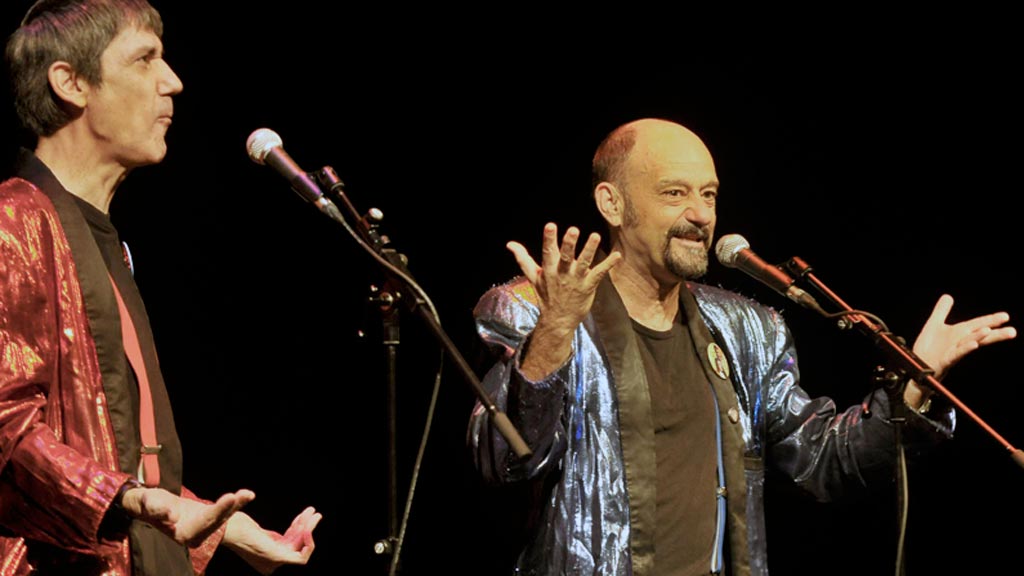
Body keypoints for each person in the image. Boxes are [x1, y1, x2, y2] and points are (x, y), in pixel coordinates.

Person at [466, 117, 1016, 576]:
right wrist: (556, 332)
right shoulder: (533, 308)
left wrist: (917, 380)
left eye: (709, 195)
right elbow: (505, 463)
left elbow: (822, 458)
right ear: (612, 204)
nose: (702, 214)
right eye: (674, 193)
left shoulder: (748, 328)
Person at [0, 1, 321, 574]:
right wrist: (131, 499)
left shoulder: (103, 243)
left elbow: (111, 452)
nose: (172, 81)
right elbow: (6, 432)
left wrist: (228, 531)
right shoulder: (13, 222)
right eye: (145, 59)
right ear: (70, 83)